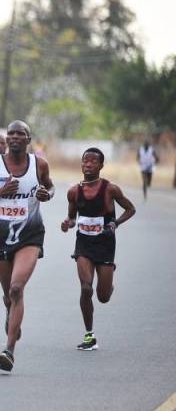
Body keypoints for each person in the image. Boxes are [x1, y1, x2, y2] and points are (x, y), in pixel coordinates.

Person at [0, 120, 55, 373]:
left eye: (21, 134)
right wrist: (1, 191)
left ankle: (9, 351)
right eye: (12, 134)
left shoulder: (39, 164)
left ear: (28, 139)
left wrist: (46, 194)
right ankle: (9, 312)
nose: (16, 137)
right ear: (7, 139)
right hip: (1, 235)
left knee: (17, 288)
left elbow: (49, 187)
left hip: (30, 234)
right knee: (8, 294)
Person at [61, 148, 135, 350]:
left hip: (104, 244)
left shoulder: (111, 189)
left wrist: (115, 223)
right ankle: (89, 335)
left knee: (103, 297)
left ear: (101, 166)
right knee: (86, 288)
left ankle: (108, 278)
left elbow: (131, 209)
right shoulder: (74, 191)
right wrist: (68, 223)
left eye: (94, 161)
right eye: (85, 161)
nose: (89, 164)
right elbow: (72, 217)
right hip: (83, 244)